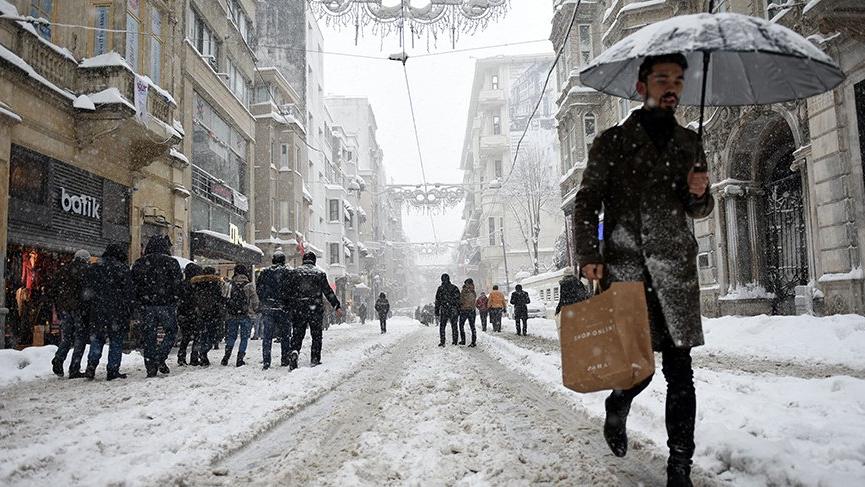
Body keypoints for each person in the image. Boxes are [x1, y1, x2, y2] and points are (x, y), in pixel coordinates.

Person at [572, 53, 714, 486]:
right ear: (641, 87)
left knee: (680, 370)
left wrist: (699, 192)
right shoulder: (611, 142)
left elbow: (699, 208)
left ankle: (679, 466)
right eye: (661, 79)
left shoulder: (690, 143)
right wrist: (590, 253)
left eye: (677, 80)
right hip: (626, 266)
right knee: (639, 367)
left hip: (674, 268)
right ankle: (619, 403)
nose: (671, 86)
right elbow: (586, 201)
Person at [130, 235, 183, 378]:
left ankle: (150, 367)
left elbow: (133, 286)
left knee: (149, 336)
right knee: (171, 332)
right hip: (166, 304)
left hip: (146, 305)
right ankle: (160, 357)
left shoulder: (140, 263)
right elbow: (178, 284)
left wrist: (137, 302)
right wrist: (176, 298)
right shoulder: (172, 263)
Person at [82, 244, 133, 380]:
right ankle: (112, 370)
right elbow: (128, 293)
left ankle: (91, 366)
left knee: (97, 339)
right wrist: (129, 310)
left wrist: (89, 307)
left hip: (98, 310)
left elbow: (87, 291)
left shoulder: (95, 268)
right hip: (118, 311)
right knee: (116, 340)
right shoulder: (122, 269)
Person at [283, 252, 342, 369]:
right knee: (316, 335)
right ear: (314, 261)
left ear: (303, 260)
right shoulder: (319, 274)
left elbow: (287, 292)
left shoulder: (295, 273)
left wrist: (288, 306)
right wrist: (336, 306)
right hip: (315, 308)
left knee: (297, 333)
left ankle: (294, 351)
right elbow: (328, 292)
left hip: (299, 308)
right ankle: (315, 358)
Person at [50, 249, 90, 378]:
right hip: (78, 310)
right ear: (85, 259)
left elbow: (54, 290)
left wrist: (59, 306)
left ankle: (59, 358)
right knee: (80, 338)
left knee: (66, 338)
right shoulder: (86, 271)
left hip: (64, 309)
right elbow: (87, 293)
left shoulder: (63, 270)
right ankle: (74, 369)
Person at [256, 252, 290, 370]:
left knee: (267, 336)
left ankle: (266, 361)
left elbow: (259, 288)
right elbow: (293, 290)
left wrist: (265, 300)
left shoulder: (265, 272)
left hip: (269, 307)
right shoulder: (288, 273)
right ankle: (285, 358)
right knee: (285, 335)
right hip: (283, 308)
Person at [222, 264, 259, 367]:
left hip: (231, 315)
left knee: (231, 337)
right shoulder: (249, 285)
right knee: (244, 338)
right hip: (245, 315)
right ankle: (240, 358)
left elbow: (224, 299)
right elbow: (255, 301)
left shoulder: (229, 284)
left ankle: (226, 356)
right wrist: (255, 310)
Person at [190, 267, 224, 367]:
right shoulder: (217, 284)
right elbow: (220, 299)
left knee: (201, 335)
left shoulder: (196, 284)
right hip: (214, 314)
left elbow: (193, 298)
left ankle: (198, 354)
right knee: (212, 335)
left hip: (200, 313)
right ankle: (204, 352)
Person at [176, 263, 203, 366]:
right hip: (194, 313)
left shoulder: (182, 284)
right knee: (197, 336)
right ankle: (194, 357)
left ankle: (181, 357)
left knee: (186, 337)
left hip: (183, 313)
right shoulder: (197, 285)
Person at [434, 274, 460, 347]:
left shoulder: (440, 288)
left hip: (444, 309)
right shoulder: (454, 288)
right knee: (454, 326)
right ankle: (455, 341)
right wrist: (458, 310)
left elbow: (437, 301)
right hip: (453, 309)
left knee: (442, 326)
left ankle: (442, 341)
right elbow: (458, 300)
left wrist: (436, 311)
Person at [457, 279, 478, 347]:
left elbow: (461, 300)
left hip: (464, 310)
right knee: (472, 326)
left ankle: (463, 340)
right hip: (472, 310)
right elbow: (474, 299)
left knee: (461, 325)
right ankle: (473, 342)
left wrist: (460, 305)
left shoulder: (464, 291)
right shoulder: (473, 291)